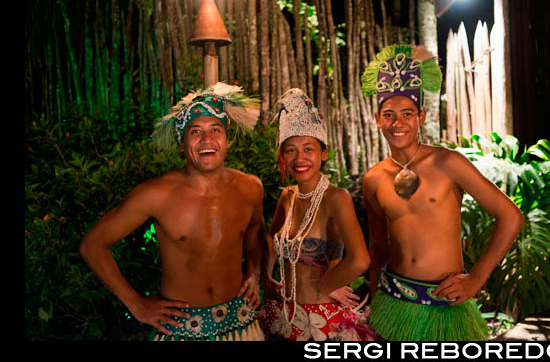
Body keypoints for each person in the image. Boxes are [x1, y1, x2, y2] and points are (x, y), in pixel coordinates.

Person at [360, 44, 524, 341]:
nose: (398, 123)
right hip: (393, 302)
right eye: (389, 115)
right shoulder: (372, 179)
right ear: (377, 118)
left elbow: (510, 216)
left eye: (407, 114)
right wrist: (374, 300)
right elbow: (377, 248)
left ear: (421, 117)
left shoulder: (448, 163)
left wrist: (475, 279)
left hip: (445, 307)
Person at [80, 82, 266, 341]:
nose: (207, 140)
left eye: (215, 129)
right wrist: (137, 304)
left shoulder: (250, 188)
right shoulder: (156, 194)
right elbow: (93, 245)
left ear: (227, 139)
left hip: (241, 324)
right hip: (180, 330)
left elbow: (255, 228)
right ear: (182, 143)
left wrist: (253, 272)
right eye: (195, 131)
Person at [259, 89, 375, 341]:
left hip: (322, 319)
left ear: (323, 153)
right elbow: (270, 238)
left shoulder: (336, 197)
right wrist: (267, 276)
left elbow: (360, 259)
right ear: (283, 156)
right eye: (290, 150)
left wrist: (325, 285)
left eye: (308, 149)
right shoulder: (288, 196)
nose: (299, 158)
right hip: (282, 314)